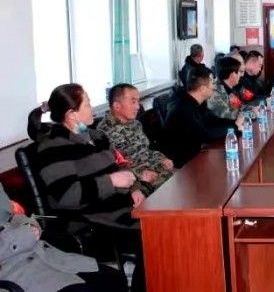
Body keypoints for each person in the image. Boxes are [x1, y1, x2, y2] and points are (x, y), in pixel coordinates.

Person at [29, 84, 146, 292]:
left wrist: (135, 187)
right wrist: (111, 181)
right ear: (71, 114)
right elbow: (67, 195)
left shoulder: (97, 137)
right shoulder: (52, 148)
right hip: (90, 219)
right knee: (157, 238)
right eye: (88, 105)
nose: (93, 109)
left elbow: (120, 165)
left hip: (121, 206)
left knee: (166, 227)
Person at [0, 183, 128, 292]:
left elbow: (22, 217)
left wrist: (25, 229)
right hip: (16, 274)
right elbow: (26, 229)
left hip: (45, 257)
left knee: (114, 278)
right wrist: (26, 232)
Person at [98, 84, 174, 190]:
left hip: (158, 171)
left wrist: (161, 158)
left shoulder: (135, 124)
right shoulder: (103, 133)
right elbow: (113, 169)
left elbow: (145, 150)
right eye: (133, 102)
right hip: (137, 185)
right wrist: (140, 175)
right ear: (117, 106)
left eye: (138, 101)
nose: (138, 107)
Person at [162, 67, 238, 168]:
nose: (214, 87)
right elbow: (205, 135)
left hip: (196, 152)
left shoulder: (197, 102)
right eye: (212, 83)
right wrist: (235, 128)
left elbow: (213, 120)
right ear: (202, 89)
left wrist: (235, 122)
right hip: (183, 163)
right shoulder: (184, 108)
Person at [208, 57, 247, 124]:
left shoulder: (229, 90)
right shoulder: (214, 93)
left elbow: (241, 106)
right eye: (239, 72)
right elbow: (230, 117)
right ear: (232, 75)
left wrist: (253, 110)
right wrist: (247, 113)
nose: (240, 75)